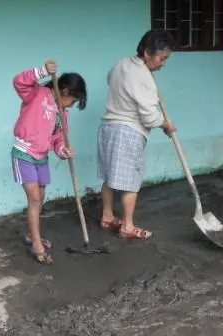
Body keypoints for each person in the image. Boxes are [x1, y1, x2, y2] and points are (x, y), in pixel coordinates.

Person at [97, 30, 176, 239]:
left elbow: (109, 79)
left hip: (107, 128)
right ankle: (128, 227)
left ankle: (107, 216)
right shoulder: (144, 78)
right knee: (130, 181)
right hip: (127, 132)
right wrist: (165, 124)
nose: (163, 64)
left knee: (109, 176)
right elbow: (149, 117)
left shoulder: (121, 64)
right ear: (147, 53)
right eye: (162, 58)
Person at [11, 60, 87, 264]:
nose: (71, 105)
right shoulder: (36, 94)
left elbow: (58, 139)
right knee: (35, 198)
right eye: (72, 100)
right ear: (64, 91)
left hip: (41, 157)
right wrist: (42, 71)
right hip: (24, 153)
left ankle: (32, 234)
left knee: (40, 197)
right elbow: (19, 82)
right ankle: (36, 243)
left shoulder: (62, 115)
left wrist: (63, 150)